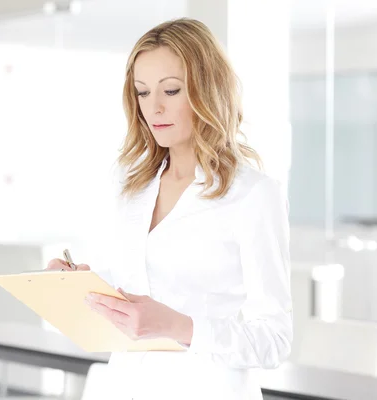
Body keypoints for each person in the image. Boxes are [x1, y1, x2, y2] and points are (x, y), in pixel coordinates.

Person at [47, 17, 292, 400]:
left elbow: (274, 339)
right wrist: (80, 287)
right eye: (143, 93)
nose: (154, 107)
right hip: (126, 386)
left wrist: (181, 326)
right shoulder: (131, 184)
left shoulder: (253, 195)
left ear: (207, 89)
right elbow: (139, 286)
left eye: (172, 90)